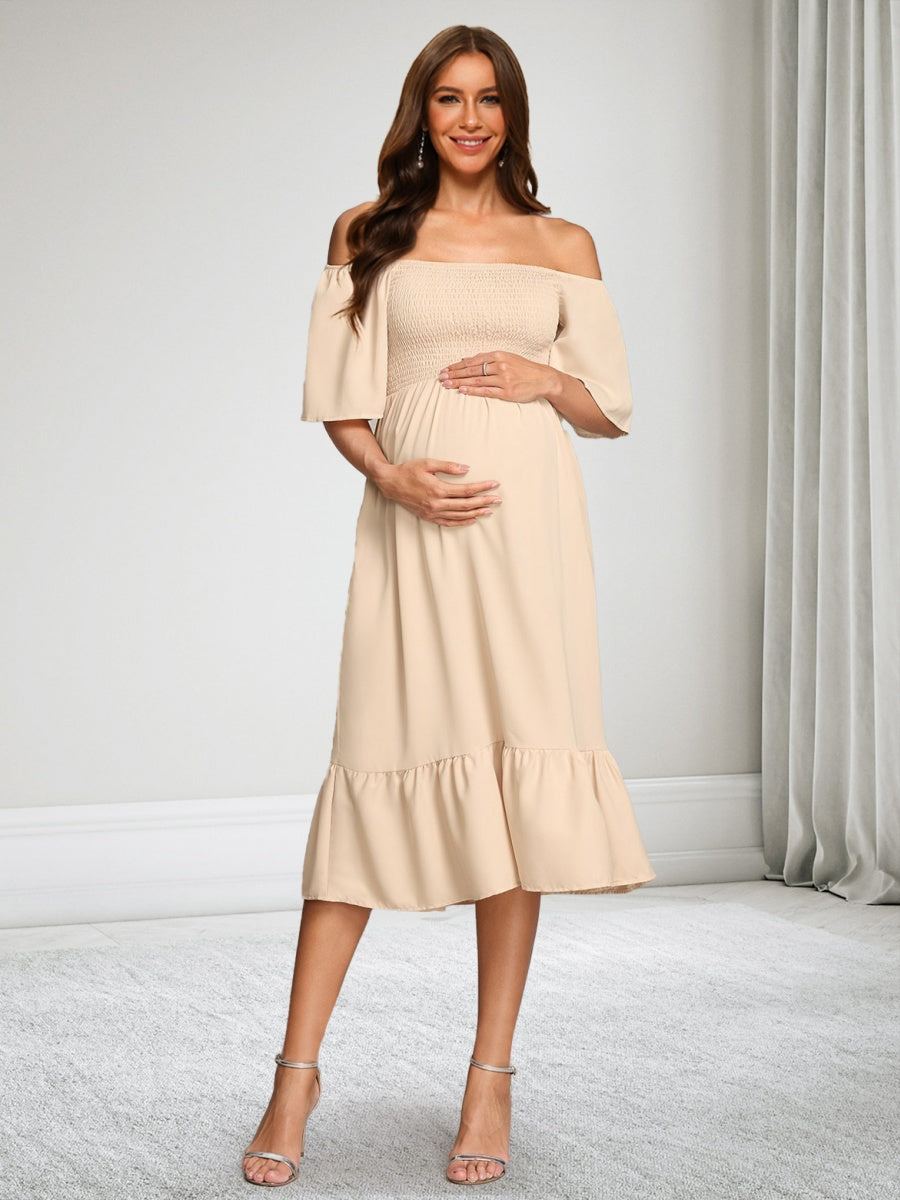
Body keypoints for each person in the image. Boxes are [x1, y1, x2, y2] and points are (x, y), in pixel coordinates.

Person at [241, 23, 655, 1189]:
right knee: (375, 766)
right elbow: (340, 399)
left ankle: (490, 1078)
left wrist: (543, 378)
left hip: (532, 540)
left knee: (515, 792)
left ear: (512, 115)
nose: (469, 119)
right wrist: (392, 478)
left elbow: (611, 407)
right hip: (413, 532)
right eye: (447, 99)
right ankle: (295, 1077)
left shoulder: (562, 242)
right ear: (420, 114)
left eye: (488, 99)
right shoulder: (367, 232)